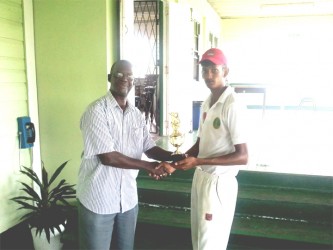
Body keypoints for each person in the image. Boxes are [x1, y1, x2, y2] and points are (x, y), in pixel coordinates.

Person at [77, 60, 181, 250]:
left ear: (134, 81)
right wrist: (149, 166)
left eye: (130, 76)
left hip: (127, 201)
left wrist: (176, 157)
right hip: (98, 201)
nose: (125, 79)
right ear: (110, 78)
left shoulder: (135, 114)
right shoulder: (96, 111)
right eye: (119, 75)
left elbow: (148, 147)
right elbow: (108, 157)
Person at [173, 48, 249, 250]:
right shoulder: (208, 101)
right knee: (199, 239)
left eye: (213, 70)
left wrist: (198, 162)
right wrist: (175, 164)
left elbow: (242, 156)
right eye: (205, 70)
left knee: (210, 242)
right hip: (201, 177)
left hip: (218, 183)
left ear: (225, 71)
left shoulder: (232, 104)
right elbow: (200, 144)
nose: (208, 75)